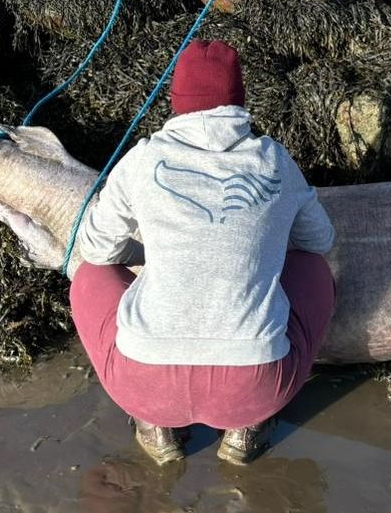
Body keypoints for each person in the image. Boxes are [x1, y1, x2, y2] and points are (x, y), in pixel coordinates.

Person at [69, 39, 336, 465]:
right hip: (254, 389)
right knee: (315, 269)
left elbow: (96, 249)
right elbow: (319, 242)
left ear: (178, 102)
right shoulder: (275, 160)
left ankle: (156, 431)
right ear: (238, 102)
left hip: (145, 384)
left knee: (89, 275)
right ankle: (246, 433)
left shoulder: (142, 160)